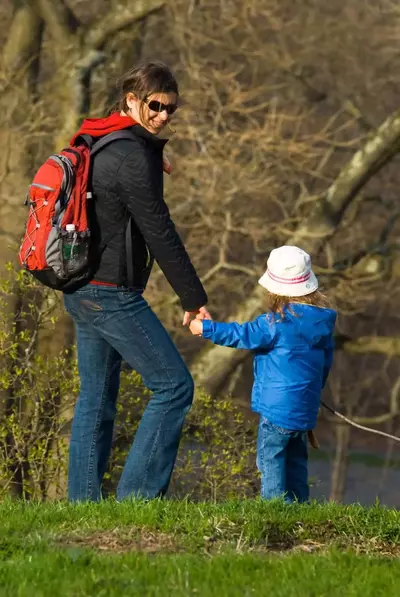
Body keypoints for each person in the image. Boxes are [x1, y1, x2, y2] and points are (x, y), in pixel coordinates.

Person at [63, 62, 210, 502]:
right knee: (174, 386)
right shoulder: (130, 155)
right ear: (132, 101)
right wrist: (193, 298)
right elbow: (158, 229)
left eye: (171, 109)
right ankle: (138, 501)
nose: (164, 116)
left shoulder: (106, 140)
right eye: (155, 106)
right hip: (110, 295)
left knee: (96, 398)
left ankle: (83, 507)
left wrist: (150, 151)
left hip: (81, 288)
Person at [189, 245, 336, 503]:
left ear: (274, 290)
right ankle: (299, 510)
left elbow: (240, 334)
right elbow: (324, 366)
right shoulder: (322, 324)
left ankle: (274, 510)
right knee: (296, 463)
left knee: (270, 460)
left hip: (277, 409)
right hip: (305, 409)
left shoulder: (274, 324)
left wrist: (205, 328)